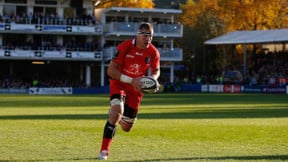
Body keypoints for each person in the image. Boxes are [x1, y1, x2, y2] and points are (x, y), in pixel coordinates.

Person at [97, 22, 160, 160]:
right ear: (138, 35)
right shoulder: (125, 47)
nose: (148, 39)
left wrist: (152, 80)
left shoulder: (153, 52)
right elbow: (111, 70)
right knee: (117, 112)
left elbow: (156, 70)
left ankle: (117, 115)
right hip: (119, 84)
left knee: (127, 128)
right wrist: (131, 80)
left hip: (136, 90)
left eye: (151, 36)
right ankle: (104, 151)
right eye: (145, 36)